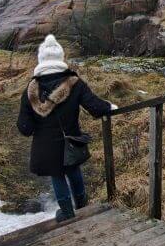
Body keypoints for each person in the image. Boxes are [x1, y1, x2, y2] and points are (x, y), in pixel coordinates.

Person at [16, 34, 116, 221]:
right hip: (71, 138)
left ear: (41, 60)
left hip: (46, 145)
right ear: (60, 58)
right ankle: (81, 206)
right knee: (73, 170)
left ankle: (67, 213)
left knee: (57, 175)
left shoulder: (31, 89)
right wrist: (109, 107)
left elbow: (25, 128)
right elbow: (94, 106)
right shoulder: (74, 83)